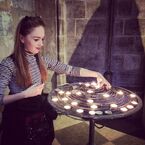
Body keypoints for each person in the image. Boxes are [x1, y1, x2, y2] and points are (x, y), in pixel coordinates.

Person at [0, 16, 111, 145]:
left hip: (38, 113)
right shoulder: (8, 64)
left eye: (42, 39)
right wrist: (25, 94)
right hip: (19, 118)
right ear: (22, 38)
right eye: (36, 39)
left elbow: (69, 69)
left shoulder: (42, 60)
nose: (41, 44)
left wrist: (97, 74)